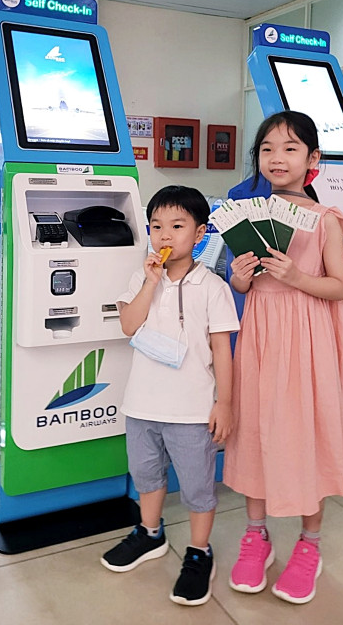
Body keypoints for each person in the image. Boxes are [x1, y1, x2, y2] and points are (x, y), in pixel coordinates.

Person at [223, 111, 343, 605]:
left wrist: (295, 276)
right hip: (260, 335)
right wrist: (241, 277)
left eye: (289, 148)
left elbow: (337, 287)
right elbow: (240, 285)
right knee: (256, 429)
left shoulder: (326, 219)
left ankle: (309, 545)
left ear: (313, 159)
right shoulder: (247, 212)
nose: (276, 157)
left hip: (306, 340)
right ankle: (255, 536)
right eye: (266, 148)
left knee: (308, 433)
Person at [101, 185, 240, 606]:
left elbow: (222, 350)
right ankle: (150, 533)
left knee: (198, 485)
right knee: (146, 474)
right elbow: (128, 325)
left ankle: (199, 551)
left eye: (177, 226)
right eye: (157, 226)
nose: (165, 236)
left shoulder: (211, 286)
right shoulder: (142, 277)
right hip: (142, 404)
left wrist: (226, 403)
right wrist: (149, 282)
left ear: (199, 234)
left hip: (193, 408)